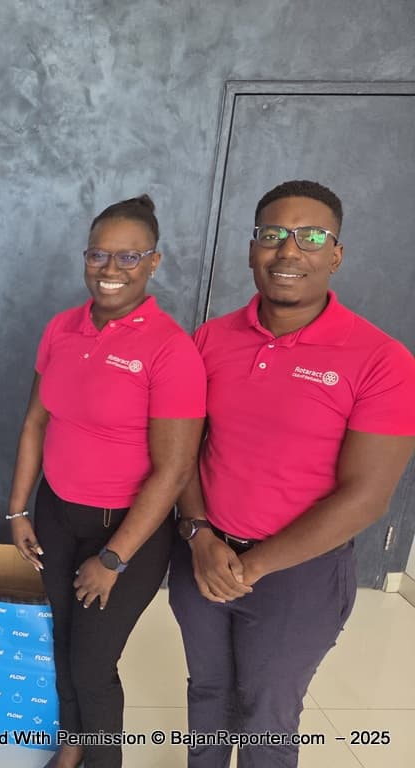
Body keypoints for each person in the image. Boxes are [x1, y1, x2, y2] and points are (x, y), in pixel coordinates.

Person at [168, 180, 415, 768]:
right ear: (253, 248)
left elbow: (367, 497)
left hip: (301, 575)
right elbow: (183, 451)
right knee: (207, 691)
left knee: (268, 712)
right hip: (202, 553)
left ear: (336, 254)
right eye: (273, 235)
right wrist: (200, 534)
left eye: (311, 237)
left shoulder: (383, 361)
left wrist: (252, 565)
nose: (289, 251)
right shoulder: (210, 340)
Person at [8, 196, 206, 768]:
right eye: (99, 254)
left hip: (125, 534)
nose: (110, 269)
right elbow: (35, 421)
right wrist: (18, 509)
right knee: (65, 647)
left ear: (154, 262)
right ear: (85, 257)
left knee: (93, 665)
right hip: (55, 516)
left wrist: (114, 558)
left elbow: (174, 469)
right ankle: (72, 748)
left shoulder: (170, 349)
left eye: (128, 256)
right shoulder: (61, 329)